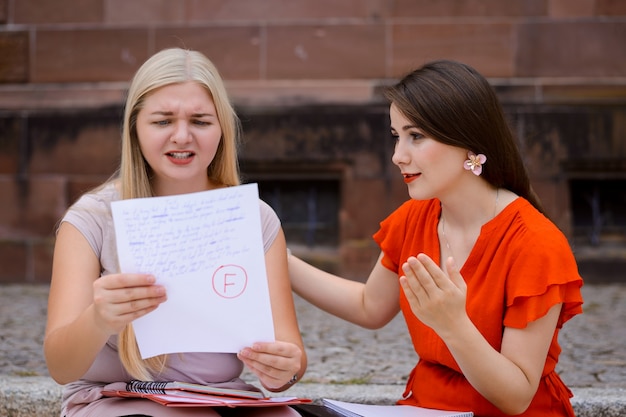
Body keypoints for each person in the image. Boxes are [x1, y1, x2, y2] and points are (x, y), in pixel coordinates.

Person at [287, 60, 583, 417]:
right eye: (397, 136)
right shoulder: (415, 217)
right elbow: (370, 306)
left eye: (416, 136)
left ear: (470, 145)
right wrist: (277, 259)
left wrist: (453, 323)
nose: (398, 156)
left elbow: (516, 396)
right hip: (425, 407)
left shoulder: (535, 242)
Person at [44, 47, 307, 417]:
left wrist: (283, 368)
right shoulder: (91, 219)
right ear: (135, 128)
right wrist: (98, 318)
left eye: (200, 121)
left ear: (222, 130)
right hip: (115, 398)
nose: (182, 136)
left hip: (222, 396)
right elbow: (60, 366)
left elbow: (288, 363)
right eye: (163, 121)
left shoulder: (255, 218)